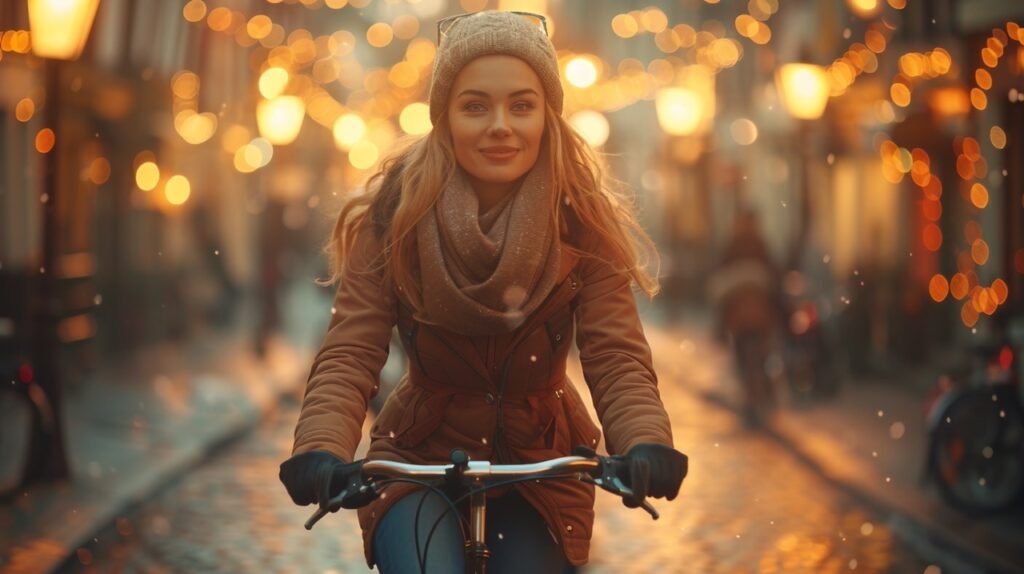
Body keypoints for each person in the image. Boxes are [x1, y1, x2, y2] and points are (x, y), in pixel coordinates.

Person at [278, 11, 687, 573]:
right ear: (444, 117)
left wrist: (644, 441)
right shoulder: (395, 217)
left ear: (547, 115)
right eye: (475, 106)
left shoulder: (580, 221)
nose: (500, 124)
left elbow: (615, 355)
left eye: (522, 105)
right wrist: (320, 448)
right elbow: (352, 349)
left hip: (542, 465)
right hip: (418, 457)